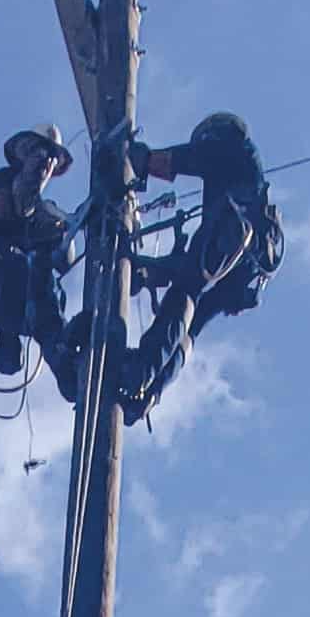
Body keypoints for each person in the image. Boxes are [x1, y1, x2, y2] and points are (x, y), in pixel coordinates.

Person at [119, 113, 284, 423]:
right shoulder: (245, 181)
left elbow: (193, 159)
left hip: (232, 237)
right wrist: (145, 270)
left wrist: (144, 160)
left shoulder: (237, 150)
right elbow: (181, 267)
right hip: (245, 274)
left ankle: (141, 371)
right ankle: (150, 394)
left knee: (185, 293)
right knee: (191, 326)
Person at [0, 125, 81, 398]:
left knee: (49, 320)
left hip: (18, 287)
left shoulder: (45, 213)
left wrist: (60, 230)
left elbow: (64, 260)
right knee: (46, 316)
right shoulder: (1, 184)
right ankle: (71, 372)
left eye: (50, 162)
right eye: (40, 158)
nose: (46, 167)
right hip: (0, 276)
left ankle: (71, 374)